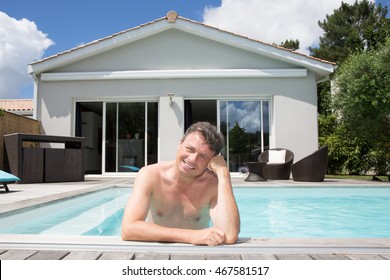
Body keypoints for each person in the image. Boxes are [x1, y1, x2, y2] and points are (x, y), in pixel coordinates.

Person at [121, 122, 240, 246]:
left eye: (203, 157)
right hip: (155, 252)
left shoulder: (212, 184)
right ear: (180, 143)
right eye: (190, 149)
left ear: (211, 161)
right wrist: (191, 236)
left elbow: (229, 235)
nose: (192, 159)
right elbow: (128, 229)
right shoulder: (150, 175)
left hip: (198, 255)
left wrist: (223, 173)